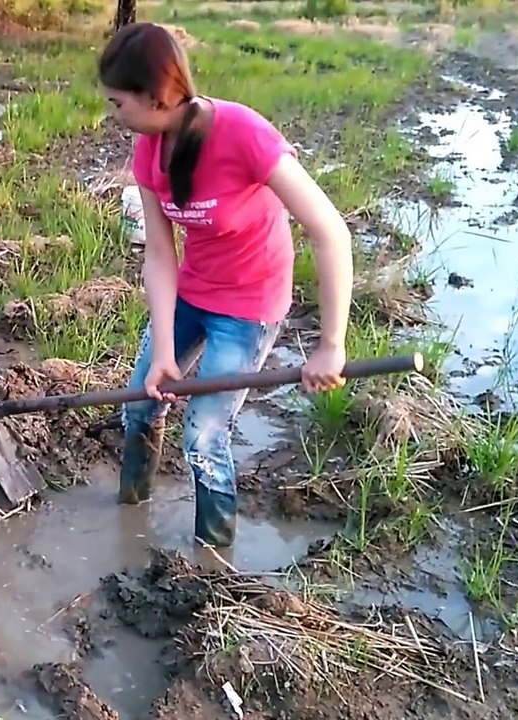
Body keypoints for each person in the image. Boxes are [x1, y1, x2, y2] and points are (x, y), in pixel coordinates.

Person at [98, 22, 354, 548]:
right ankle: (131, 512)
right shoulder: (149, 149)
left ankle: (212, 556)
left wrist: (331, 345)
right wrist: (164, 351)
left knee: (203, 434)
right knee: (140, 403)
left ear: (155, 96)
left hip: (249, 305)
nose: (113, 115)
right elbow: (161, 255)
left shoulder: (244, 134)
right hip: (193, 289)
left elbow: (330, 232)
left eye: (118, 103)